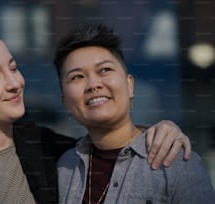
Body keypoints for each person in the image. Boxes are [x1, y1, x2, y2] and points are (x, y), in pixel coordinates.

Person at [0, 32, 191, 204]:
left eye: (13, 68)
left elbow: (111, 143)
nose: (14, 83)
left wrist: (161, 130)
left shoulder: (47, 147)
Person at [54, 24, 215, 204]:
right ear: (65, 102)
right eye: (77, 77)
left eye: (105, 70)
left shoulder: (177, 164)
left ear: (129, 85)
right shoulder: (63, 168)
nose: (93, 84)